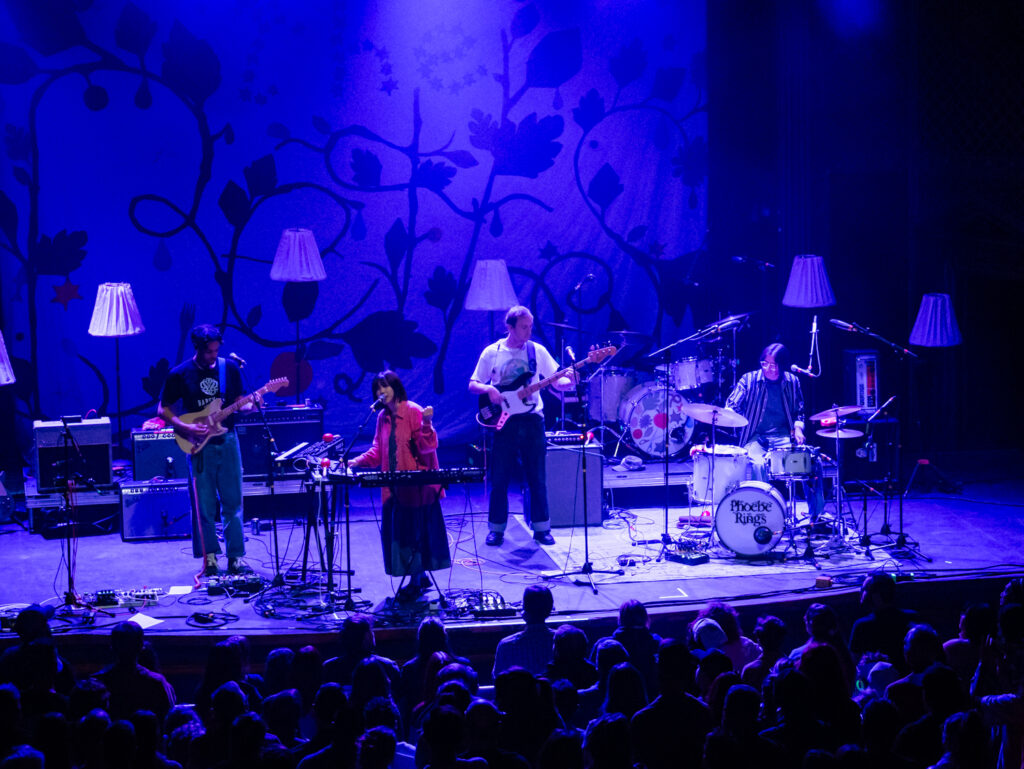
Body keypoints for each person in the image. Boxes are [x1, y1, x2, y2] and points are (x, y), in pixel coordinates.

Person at [469, 305, 574, 546]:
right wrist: (489, 389)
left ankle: (542, 528)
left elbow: (557, 381)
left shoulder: (537, 351)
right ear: (510, 327)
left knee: (537, 477)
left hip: (532, 419)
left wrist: (568, 382)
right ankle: (496, 529)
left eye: (530, 326)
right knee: (500, 478)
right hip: (504, 421)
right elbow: (473, 383)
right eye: (524, 327)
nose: (529, 331)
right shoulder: (492, 352)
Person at [158, 324, 255, 576]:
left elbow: (238, 403)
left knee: (233, 501)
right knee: (204, 504)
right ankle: (209, 557)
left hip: (228, 439)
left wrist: (252, 406)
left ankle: (235, 557)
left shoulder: (229, 368)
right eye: (209, 351)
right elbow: (163, 409)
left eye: (216, 350)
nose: (213, 356)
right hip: (198, 444)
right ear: (198, 348)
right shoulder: (179, 373)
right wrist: (184, 427)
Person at [348, 370, 451, 600]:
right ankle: (419, 576)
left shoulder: (413, 411)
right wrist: (356, 461)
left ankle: (415, 582)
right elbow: (378, 450)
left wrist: (427, 423)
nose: (381, 391)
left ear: (395, 387)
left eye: (385, 386)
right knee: (403, 533)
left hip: (417, 488)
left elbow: (428, 446)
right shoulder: (382, 417)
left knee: (413, 533)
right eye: (377, 388)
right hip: (394, 487)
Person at [725, 342, 824, 522]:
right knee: (759, 464)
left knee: (812, 461)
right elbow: (732, 405)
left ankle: (816, 517)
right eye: (765, 364)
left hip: (784, 438)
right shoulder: (748, 380)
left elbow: (799, 411)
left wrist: (798, 429)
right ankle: (764, 516)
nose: (770, 369)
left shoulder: (792, 382)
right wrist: (729, 414)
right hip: (755, 437)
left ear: (783, 365)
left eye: (775, 365)